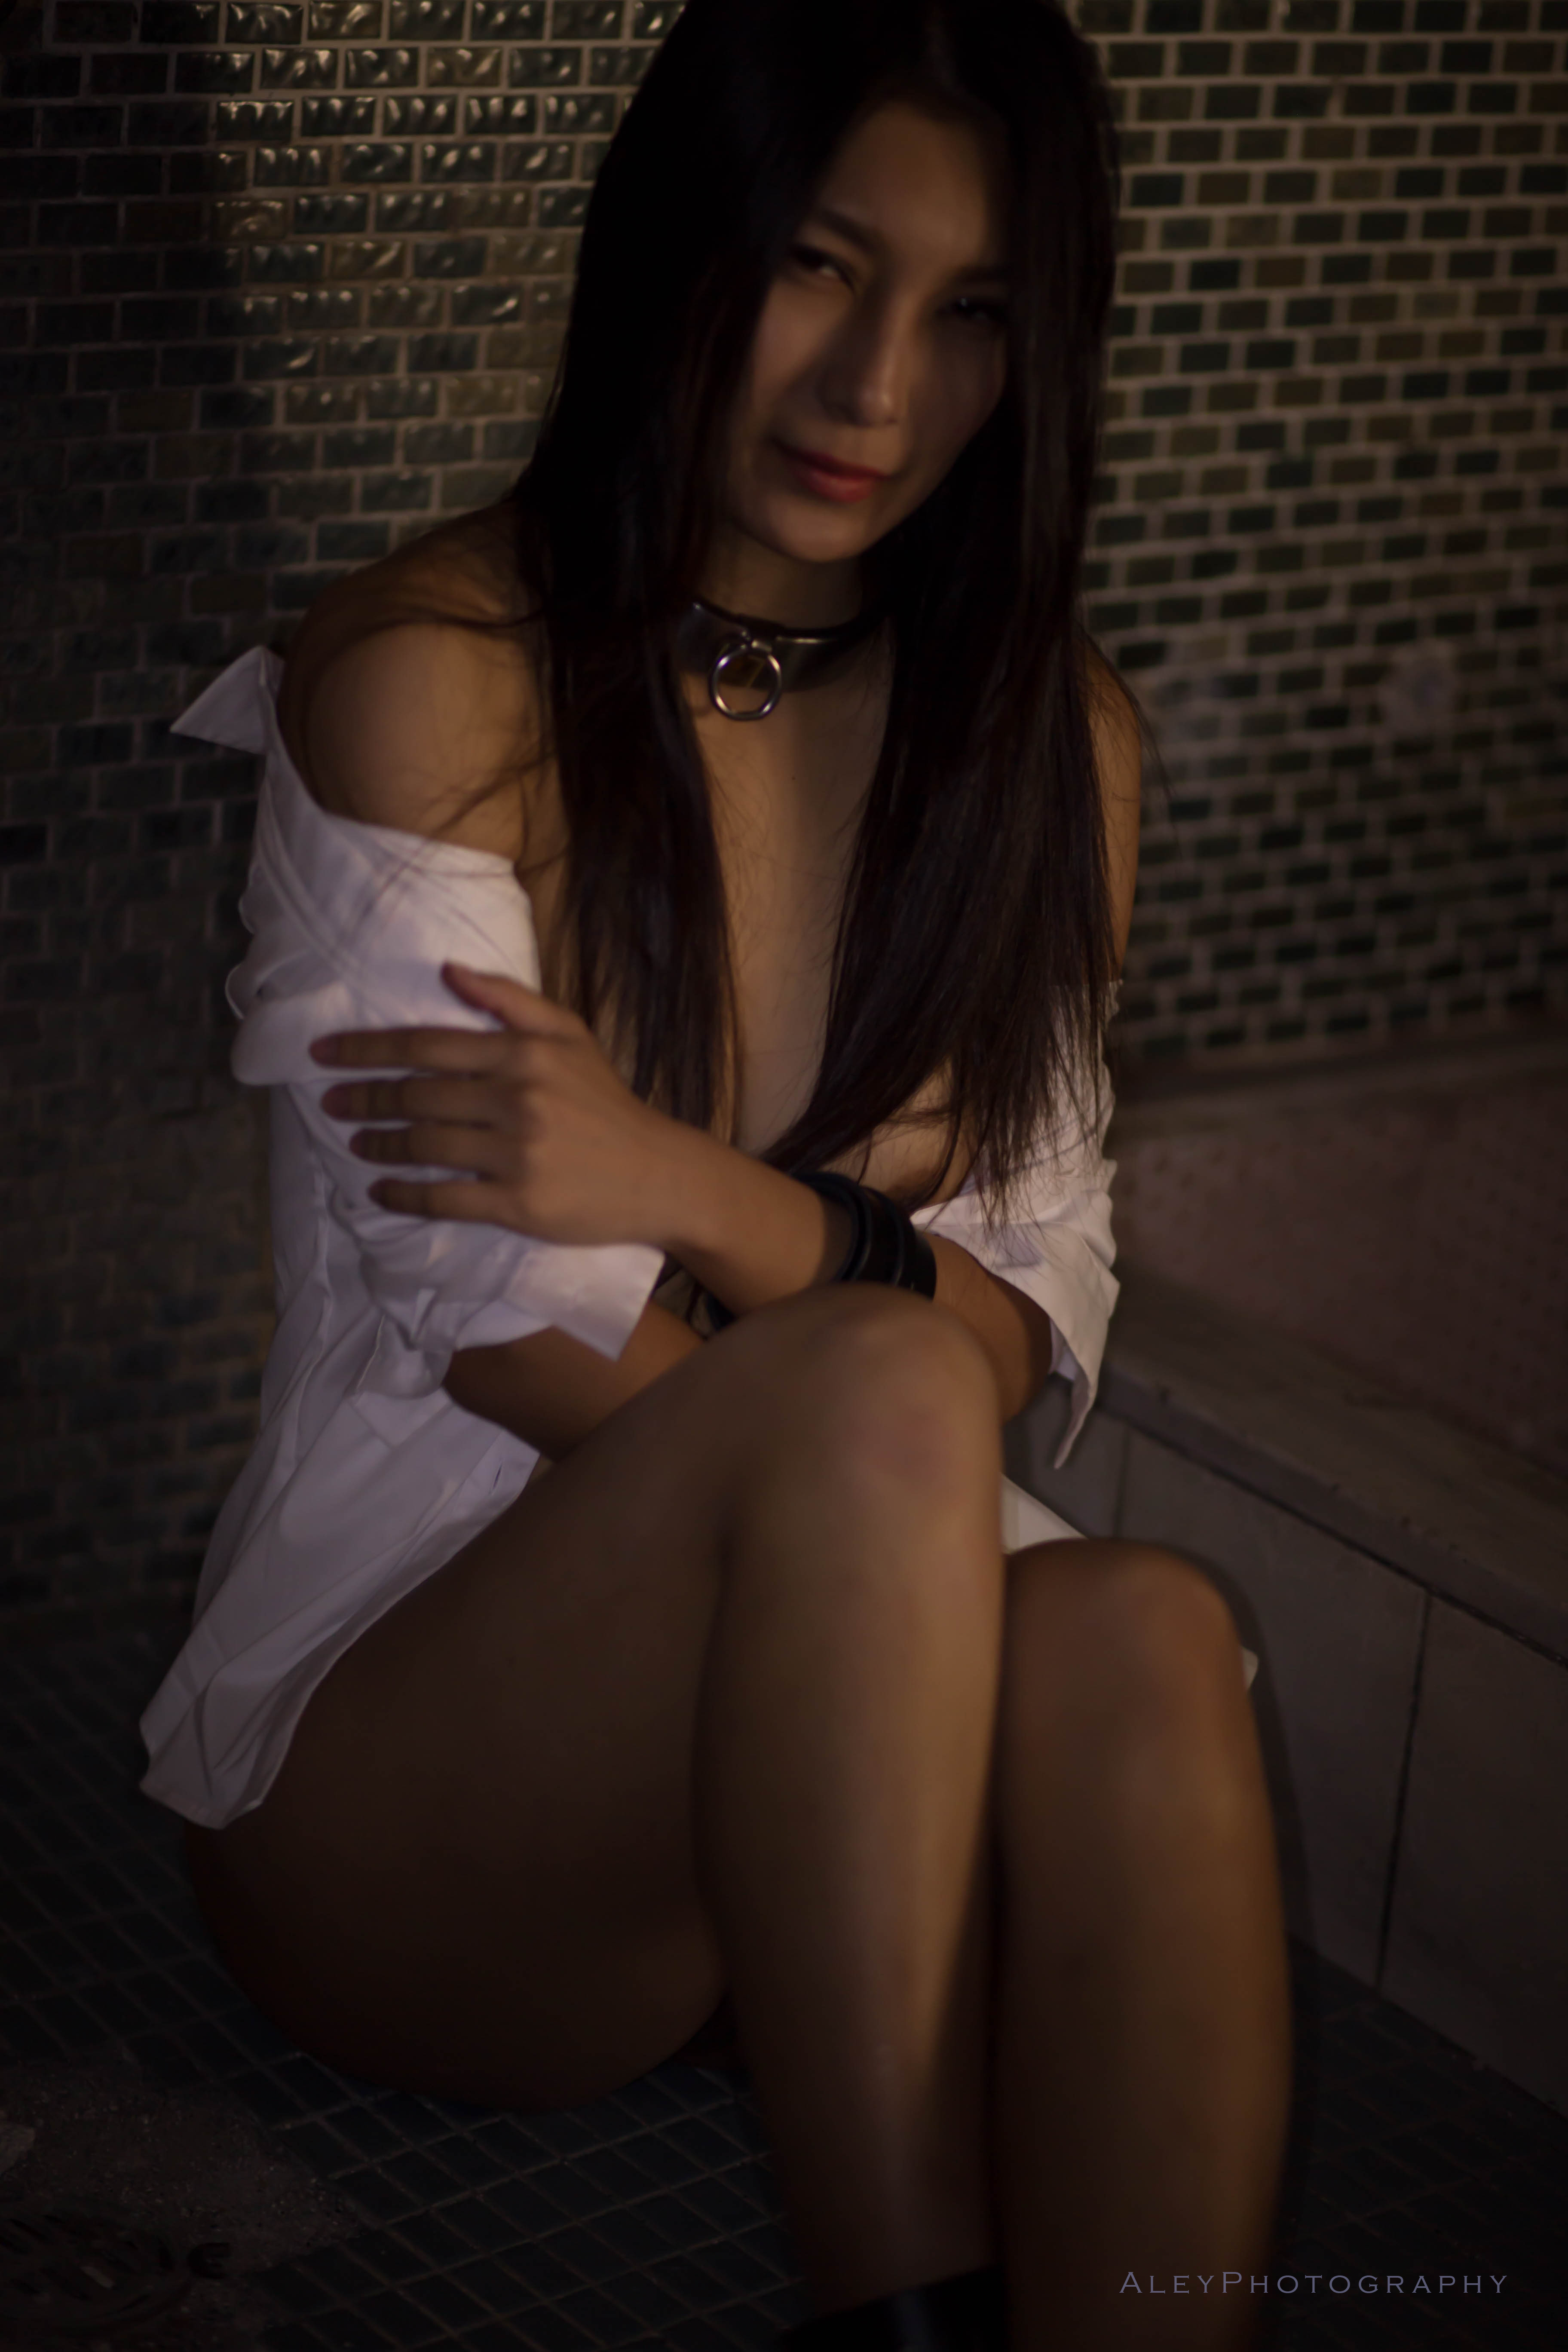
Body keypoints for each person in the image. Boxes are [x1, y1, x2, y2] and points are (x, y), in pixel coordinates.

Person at [141, 1, 1291, 2343]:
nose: (879, 387)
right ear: (681, 241)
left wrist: (685, 1184)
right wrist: (875, 1379)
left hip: (817, 1821)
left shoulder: (1051, 748)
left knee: (1153, 1638)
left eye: (972, 313)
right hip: (410, 1798)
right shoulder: (439, 684)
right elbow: (528, 1349)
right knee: (876, 1394)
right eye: (817, 265)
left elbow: (1032, 1329)